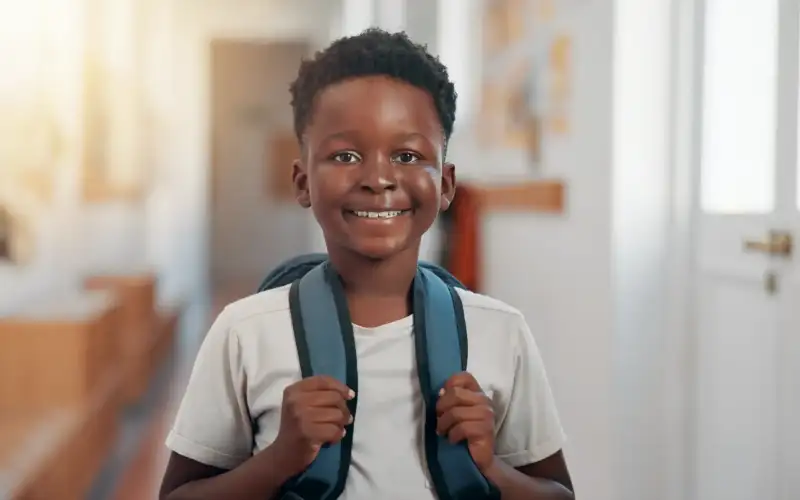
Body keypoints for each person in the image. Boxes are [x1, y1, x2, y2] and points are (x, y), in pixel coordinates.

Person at [159, 28, 574, 500]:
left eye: (407, 155)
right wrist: (279, 459)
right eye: (346, 155)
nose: (378, 178)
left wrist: (490, 468)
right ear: (303, 182)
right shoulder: (245, 332)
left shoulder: (500, 331)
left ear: (445, 185)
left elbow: (558, 494)